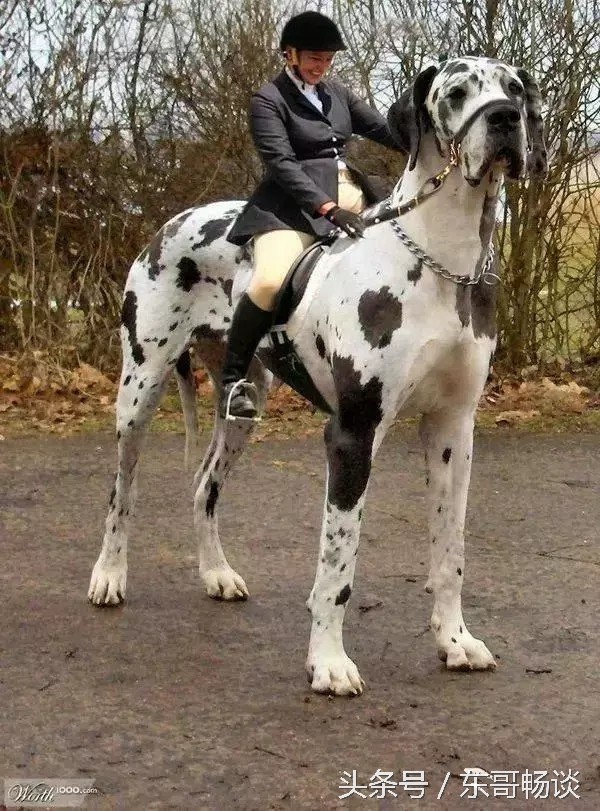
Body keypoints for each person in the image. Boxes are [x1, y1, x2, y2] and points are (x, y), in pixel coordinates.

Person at [221, 10, 403, 419]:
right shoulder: (268, 100)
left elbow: (383, 131)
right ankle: (233, 382)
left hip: (353, 195)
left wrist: (428, 140)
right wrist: (326, 207)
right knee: (269, 281)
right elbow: (281, 163)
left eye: (327, 59)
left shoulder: (338, 94)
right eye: (314, 59)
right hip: (293, 207)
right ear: (290, 54)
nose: (321, 67)